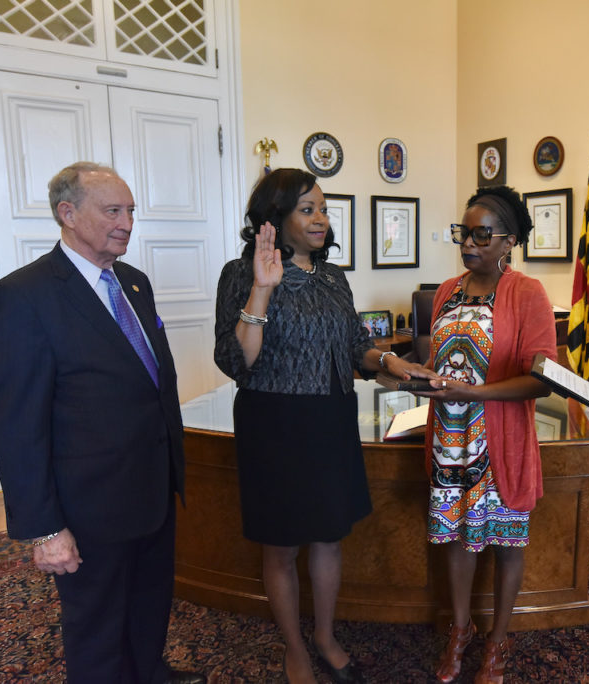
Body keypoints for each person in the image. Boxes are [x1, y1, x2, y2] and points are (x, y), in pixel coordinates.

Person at [0, 163, 204, 684]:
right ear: (68, 213)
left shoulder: (134, 283)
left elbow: (151, 387)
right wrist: (44, 529)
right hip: (88, 505)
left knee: (150, 602)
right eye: (113, 211)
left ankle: (149, 673)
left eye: (130, 211)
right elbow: (16, 425)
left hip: (151, 488)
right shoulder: (22, 297)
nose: (127, 222)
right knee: (97, 626)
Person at [213, 168, 434, 684]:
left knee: (330, 537)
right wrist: (263, 291)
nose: (320, 218)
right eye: (307, 209)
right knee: (283, 544)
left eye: (323, 208)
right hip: (275, 423)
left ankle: (325, 636)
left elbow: (356, 344)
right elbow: (236, 362)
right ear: (275, 217)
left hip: (331, 419)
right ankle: (294, 648)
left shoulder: (334, 277)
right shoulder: (241, 273)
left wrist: (394, 363)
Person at [414, 186, 557, 684]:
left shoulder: (528, 293)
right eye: (463, 233)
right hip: (450, 442)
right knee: (455, 540)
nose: (468, 244)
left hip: (499, 444)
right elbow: (440, 362)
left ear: (508, 241)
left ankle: (496, 642)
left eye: (481, 235)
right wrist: (421, 378)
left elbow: (542, 377)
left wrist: (475, 394)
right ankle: (459, 631)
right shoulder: (446, 291)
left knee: (506, 545)